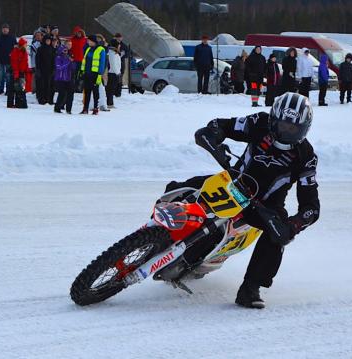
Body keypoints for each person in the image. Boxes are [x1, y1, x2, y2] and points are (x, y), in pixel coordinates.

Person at [164, 92, 320, 309]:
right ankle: (155, 235)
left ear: (304, 129)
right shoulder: (260, 122)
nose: (285, 131)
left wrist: (294, 225)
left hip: (264, 206)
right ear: (273, 119)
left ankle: (250, 288)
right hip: (233, 182)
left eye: (292, 129)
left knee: (279, 237)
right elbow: (222, 125)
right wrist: (214, 136)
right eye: (282, 125)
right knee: (177, 188)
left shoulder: (307, 156)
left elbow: (311, 207)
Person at [80, 34, 106, 115]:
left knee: (95, 92)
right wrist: (82, 70)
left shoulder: (101, 49)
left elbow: (102, 63)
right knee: (87, 91)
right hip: (87, 73)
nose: (88, 42)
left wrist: (100, 74)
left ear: (93, 41)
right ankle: (85, 109)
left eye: (89, 41)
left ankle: (95, 108)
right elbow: (84, 60)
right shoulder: (88, 49)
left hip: (95, 74)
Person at [0, 24, 17, 95]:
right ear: (2, 30)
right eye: (4, 28)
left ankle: (8, 90)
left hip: (9, 60)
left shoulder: (12, 38)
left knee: (8, 76)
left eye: (6, 28)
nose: (5, 30)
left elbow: (15, 49)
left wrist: (14, 58)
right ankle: (1, 89)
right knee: (1, 76)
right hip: (0, 60)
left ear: (8, 30)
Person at [54, 42, 75, 114]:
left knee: (70, 93)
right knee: (62, 94)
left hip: (69, 77)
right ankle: (57, 108)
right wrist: (68, 61)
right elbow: (59, 67)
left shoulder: (70, 54)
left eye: (71, 45)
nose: (70, 46)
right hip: (61, 78)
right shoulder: (58, 56)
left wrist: (72, 63)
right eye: (68, 44)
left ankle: (68, 109)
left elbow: (73, 67)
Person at [7, 37, 29, 109]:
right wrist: (16, 74)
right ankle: (10, 104)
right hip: (15, 73)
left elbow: (25, 63)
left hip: (21, 73)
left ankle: (19, 104)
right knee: (12, 89)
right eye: (25, 44)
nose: (26, 45)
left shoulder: (24, 52)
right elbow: (14, 64)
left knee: (20, 89)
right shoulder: (15, 52)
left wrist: (27, 70)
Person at [36, 34, 55, 104]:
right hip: (42, 70)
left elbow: (54, 60)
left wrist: (54, 69)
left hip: (50, 70)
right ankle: (41, 99)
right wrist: (38, 69)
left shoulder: (52, 49)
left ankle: (49, 99)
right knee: (41, 85)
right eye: (47, 40)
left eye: (49, 40)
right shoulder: (40, 49)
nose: (48, 42)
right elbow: (37, 60)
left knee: (50, 85)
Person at [70, 26, 86, 92]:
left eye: (80, 32)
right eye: (77, 32)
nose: (78, 34)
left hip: (82, 60)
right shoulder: (72, 39)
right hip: (74, 60)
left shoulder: (85, 40)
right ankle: (72, 87)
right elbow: (70, 48)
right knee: (73, 74)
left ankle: (79, 88)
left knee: (81, 75)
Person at [96, 34, 110, 112]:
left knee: (101, 88)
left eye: (100, 39)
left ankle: (102, 104)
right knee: (97, 89)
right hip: (95, 71)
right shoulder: (94, 47)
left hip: (101, 71)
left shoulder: (104, 49)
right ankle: (98, 105)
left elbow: (105, 60)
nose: (98, 40)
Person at [106, 39, 121, 108]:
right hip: (113, 73)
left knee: (111, 89)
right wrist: (117, 73)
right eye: (118, 45)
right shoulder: (112, 53)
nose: (119, 46)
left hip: (115, 72)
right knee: (110, 89)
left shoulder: (115, 52)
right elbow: (113, 64)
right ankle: (109, 103)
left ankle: (110, 103)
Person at [113, 33, 129, 97]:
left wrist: (122, 54)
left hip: (121, 64)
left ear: (122, 38)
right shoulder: (112, 45)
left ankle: (118, 93)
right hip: (113, 64)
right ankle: (113, 92)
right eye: (117, 37)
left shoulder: (124, 46)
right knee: (113, 78)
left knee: (119, 79)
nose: (118, 39)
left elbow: (128, 54)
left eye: (120, 37)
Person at [29, 29, 43, 93]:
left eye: (39, 35)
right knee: (34, 77)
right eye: (36, 35)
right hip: (34, 64)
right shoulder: (33, 45)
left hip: (42, 64)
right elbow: (31, 55)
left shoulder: (43, 44)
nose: (38, 37)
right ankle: (34, 89)